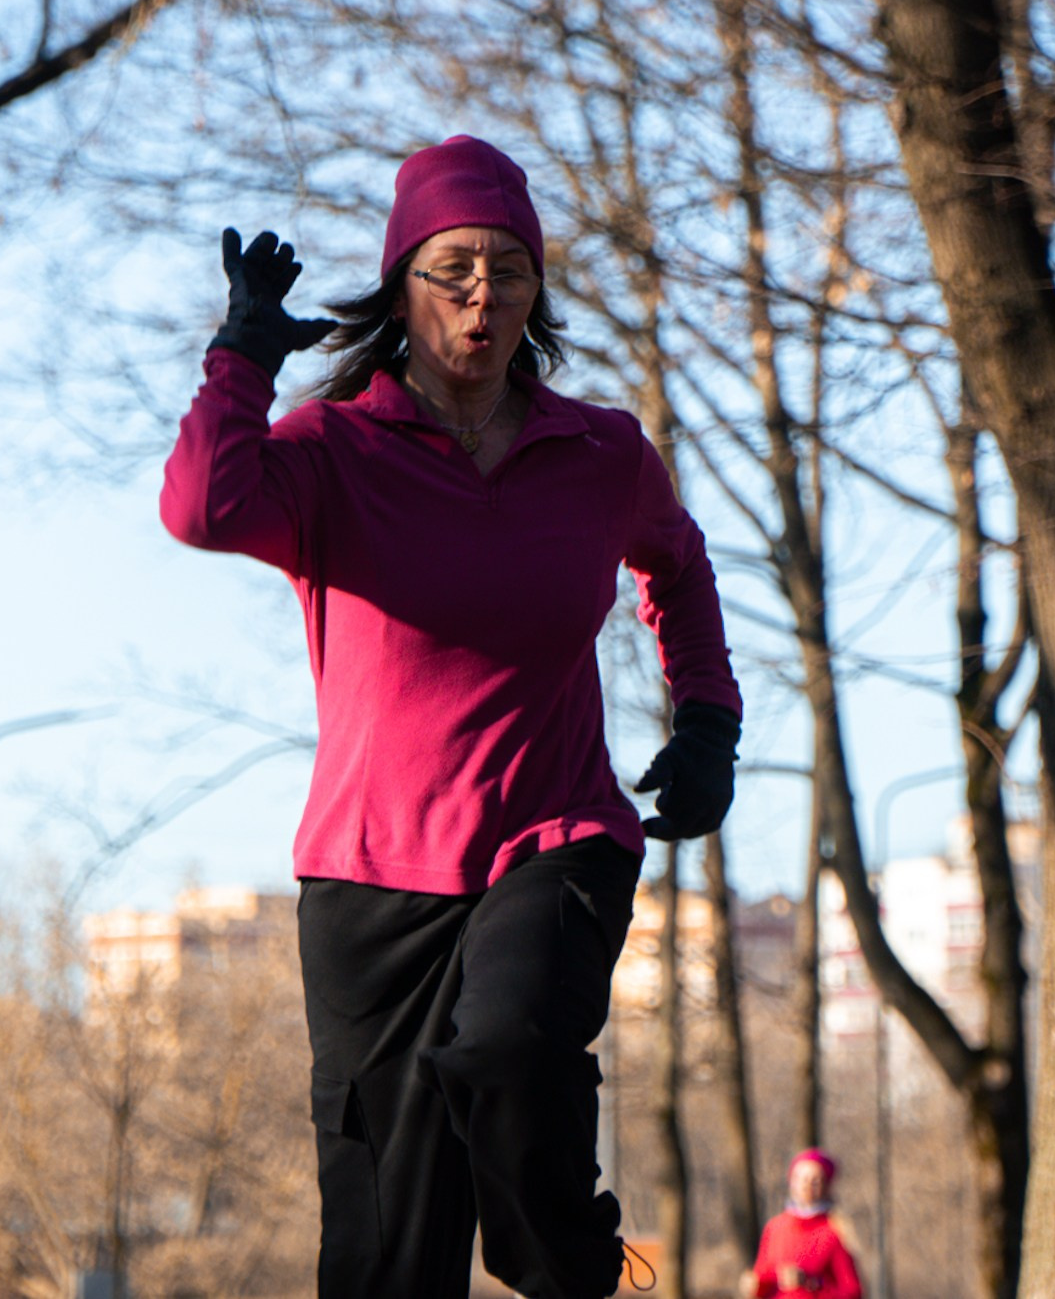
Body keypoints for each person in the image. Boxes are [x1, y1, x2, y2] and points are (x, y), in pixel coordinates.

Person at [160, 134, 742, 1299]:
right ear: (402, 286)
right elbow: (201, 510)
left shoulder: (597, 450)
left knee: (511, 1053)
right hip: (372, 878)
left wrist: (706, 720)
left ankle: (560, 1258)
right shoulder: (333, 451)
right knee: (384, 1254)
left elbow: (674, 567)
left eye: (510, 273)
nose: (485, 298)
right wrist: (238, 362)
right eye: (454, 271)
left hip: (552, 836)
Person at [741, 1149, 862, 1299]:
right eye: (801, 1178)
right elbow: (763, 1278)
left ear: (827, 1185)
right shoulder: (774, 1228)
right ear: (791, 1181)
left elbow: (853, 1292)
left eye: (815, 1180)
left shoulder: (836, 1230)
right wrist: (754, 1286)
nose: (807, 1186)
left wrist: (810, 1283)